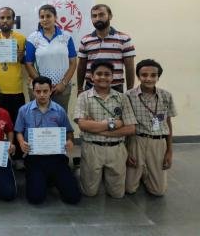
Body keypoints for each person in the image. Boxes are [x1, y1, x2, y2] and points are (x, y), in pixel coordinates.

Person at [74, 59, 137, 198]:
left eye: (107, 74)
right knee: (89, 192)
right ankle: (87, 174)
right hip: (92, 148)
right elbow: (82, 124)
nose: (103, 77)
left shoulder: (122, 98)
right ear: (91, 76)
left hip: (117, 149)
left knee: (117, 194)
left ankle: (105, 178)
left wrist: (98, 129)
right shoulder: (84, 97)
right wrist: (115, 124)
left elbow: (131, 128)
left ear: (112, 77)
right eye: (99, 74)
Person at [15, 76, 81, 204]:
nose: (42, 95)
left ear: (51, 91)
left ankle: (51, 178)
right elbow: (18, 131)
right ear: (33, 91)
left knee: (73, 198)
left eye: (45, 91)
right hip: (34, 158)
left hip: (56, 157)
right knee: (35, 198)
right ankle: (44, 178)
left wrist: (70, 141)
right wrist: (21, 142)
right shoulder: (24, 110)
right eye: (38, 91)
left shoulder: (59, 110)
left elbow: (69, 131)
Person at [125, 59, 177, 196]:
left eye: (153, 75)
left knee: (158, 191)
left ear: (158, 76)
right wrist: (126, 151)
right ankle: (140, 171)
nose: (148, 78)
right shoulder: (128, 96)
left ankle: (146, 171)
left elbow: (168, 123)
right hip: (136, 141)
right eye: (144, 75)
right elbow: (126, 125)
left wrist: (169, 151)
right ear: (138, 76)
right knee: (129, 189)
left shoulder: (166, 96)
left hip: (158, 142)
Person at [0, 7, 25, 162]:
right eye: (2, 18)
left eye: (8, 18)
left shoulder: (21, 39)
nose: (5, 21)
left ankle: (16, 158)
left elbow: (25, 61)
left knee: (16, 126)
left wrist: (21, 56)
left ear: (13, 20)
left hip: (16, 90)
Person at [25, 4, 77, 113]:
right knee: (38, 120)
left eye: (48, 16)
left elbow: (73, 63)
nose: (45, 19)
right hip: (40, 89)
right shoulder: (33, 38)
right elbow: (29, 64)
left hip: (61, 89)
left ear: (55, 17)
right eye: (42, 17)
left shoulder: (66, 37)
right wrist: (42, 85)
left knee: (59, 120)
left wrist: (63, 84)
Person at [77, 4, 135, 94]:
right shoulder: (85, 40)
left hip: (115, 88)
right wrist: (79, 88)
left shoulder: (124, 39)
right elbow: (81, 67)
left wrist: (130, 91)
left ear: (110, 16)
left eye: (101, 15)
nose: (97, 18)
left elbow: (130, 67)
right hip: (91, 87)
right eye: (94, 16)